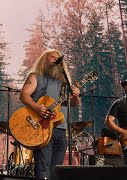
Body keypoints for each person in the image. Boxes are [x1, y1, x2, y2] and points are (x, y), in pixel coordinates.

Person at [19, 49, 80, 179]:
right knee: (43, 167)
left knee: (56, 169)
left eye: (58, 59)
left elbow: (72, 104)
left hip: (61, 129)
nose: (56, 60)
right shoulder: (36, 76)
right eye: (52, 57)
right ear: (44, 60)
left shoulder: (65, 83)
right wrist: (37, 107)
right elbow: (24, 95)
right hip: (41, 128)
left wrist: (76, 97)